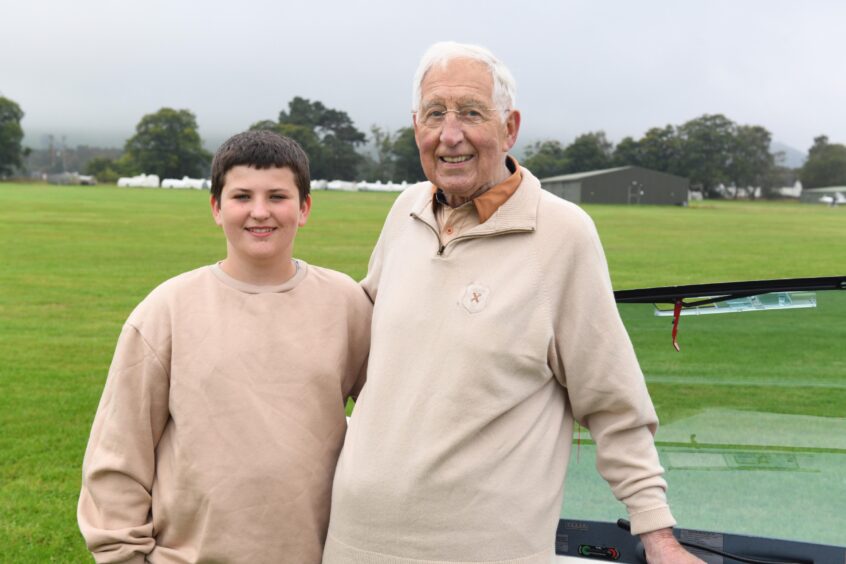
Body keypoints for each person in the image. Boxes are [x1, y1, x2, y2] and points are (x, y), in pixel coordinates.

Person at [323, 42, 703, 564]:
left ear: (511, 127)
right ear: (417, 127)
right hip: (353, 542)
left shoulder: (562, 234)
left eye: (471, 113)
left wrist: (658, 537)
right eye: (435, 114)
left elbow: (613, 399)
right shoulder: (404, 212)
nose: (450, 135)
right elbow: (356, 352)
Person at [78, 130, 371, 563]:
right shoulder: (167, 310)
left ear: (304, 207)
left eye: (277, 196)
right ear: (216, 207)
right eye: (241, 197)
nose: (259, 212)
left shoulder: (345, 303)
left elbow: (394, 420)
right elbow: (119, 454)